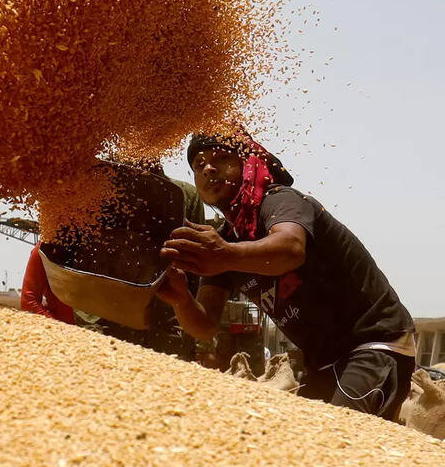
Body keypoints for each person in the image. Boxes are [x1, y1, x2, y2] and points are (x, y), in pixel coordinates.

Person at [155, 127, 416, 419]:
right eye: (198, 165)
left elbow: (291, 248)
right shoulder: (227, 239)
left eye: (221, 158)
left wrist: (225, 255)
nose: (208, 169)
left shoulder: (280, 201)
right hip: (324, 361)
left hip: (373, 344)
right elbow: (205, 326)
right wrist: (181, 300)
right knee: (295, 439)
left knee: (335, 435)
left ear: (248, 163)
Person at [20, 242, 75, 324]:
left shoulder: (94, 248)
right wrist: (57, 326)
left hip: (94, 328)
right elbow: (29, 302)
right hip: (63, 327)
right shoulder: (46, 248)